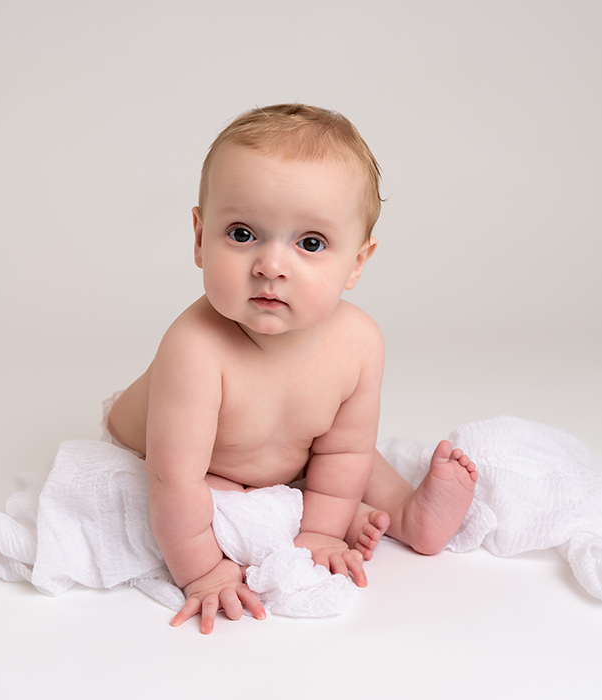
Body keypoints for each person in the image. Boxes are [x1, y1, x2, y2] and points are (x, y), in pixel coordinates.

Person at [107, 104, 478, 634]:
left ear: (357, 262)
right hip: (194, 459)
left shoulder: (359, 342)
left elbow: (343, 449)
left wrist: (321, 535)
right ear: (198, 237)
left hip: (292, 448)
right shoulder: (194, 348)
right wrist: (204, 572)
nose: (271, 265)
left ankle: (411, 514)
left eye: (310, 243)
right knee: (223, 502)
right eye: (241, 234)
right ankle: (311, 513)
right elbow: (174, 477)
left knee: (356, 457)